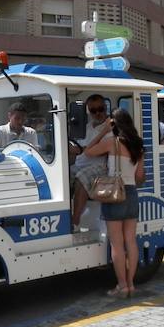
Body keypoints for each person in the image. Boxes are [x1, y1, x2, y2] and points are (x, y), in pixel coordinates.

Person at [83, 109, 146, 299]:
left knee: (117, 245)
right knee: (131, 242)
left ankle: (122, 286)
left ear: (114, 124)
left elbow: (88, 151)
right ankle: (132, 284)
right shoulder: (138, 145)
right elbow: (139, 176)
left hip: (114, 195)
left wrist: (103, 132)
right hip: (132, 193)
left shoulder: (112, 142)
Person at [69, 94, 110, 227]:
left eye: (101, 109)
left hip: (102, 166)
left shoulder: (111, 126)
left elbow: (103, 149)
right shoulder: (85, 127)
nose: (98, 113)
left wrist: (80, 150)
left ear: (105, 107)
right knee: (60, 175)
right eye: (93, 110)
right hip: (80, 164)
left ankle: (74, 222)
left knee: (82, 177)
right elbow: (77, 147)